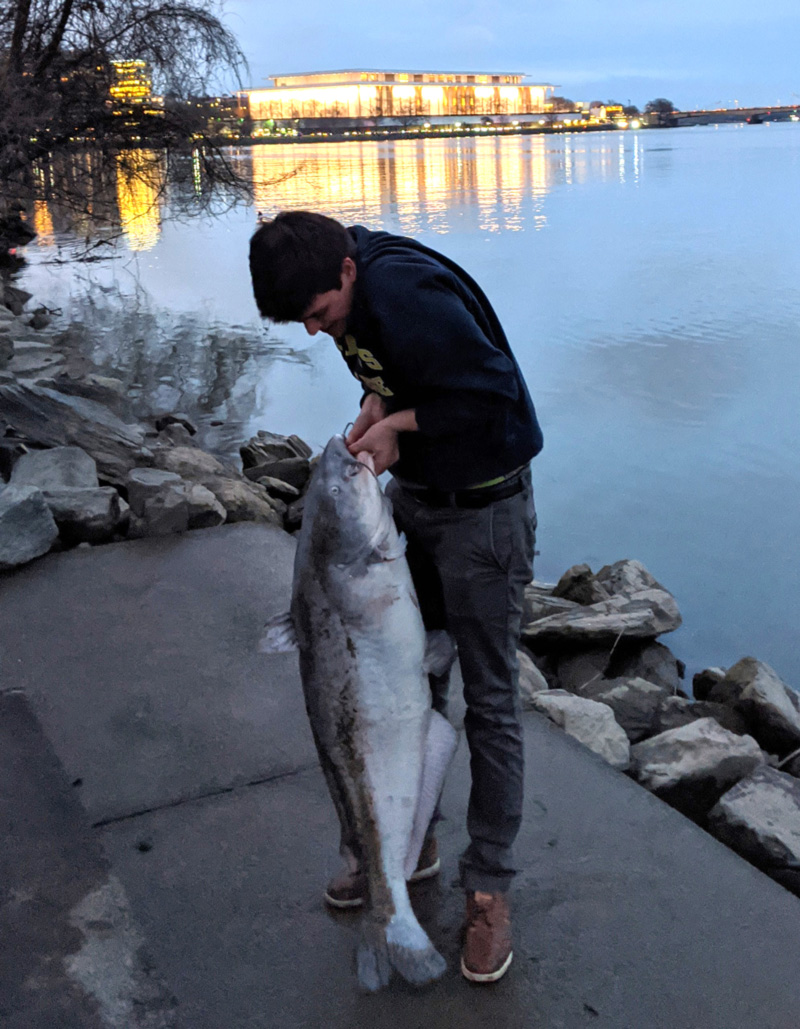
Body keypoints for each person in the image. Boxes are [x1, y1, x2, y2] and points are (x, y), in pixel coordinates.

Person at [249, 211, 543, 984]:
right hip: (419, 497)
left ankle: (489, 889)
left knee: (488, 702)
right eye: (303, 323)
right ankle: (408, 846)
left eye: (319, 315)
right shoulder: (343, 289)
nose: (316, 333)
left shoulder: (405, 290)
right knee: (414, 682)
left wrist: (402, 426)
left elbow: (494, 392)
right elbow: (399, 373)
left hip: (484, 511)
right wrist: (375, 417)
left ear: (346, 273)